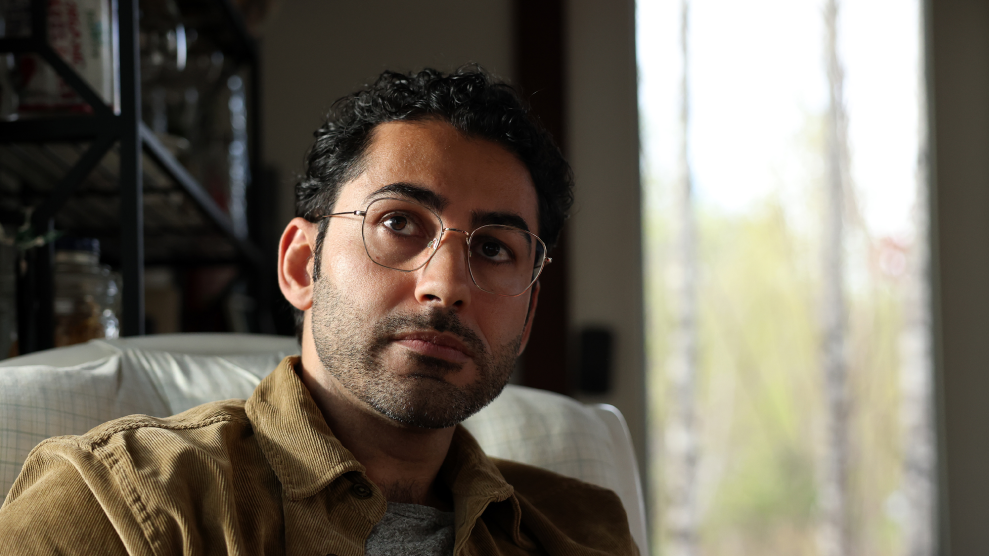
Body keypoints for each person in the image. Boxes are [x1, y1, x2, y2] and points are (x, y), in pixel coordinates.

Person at [0, 66, 638, 555]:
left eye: (496, 248)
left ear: (526, 318)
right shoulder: (123, 501)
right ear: (303, 265)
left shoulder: (585, 531)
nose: (446, 286)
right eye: (398, 222)